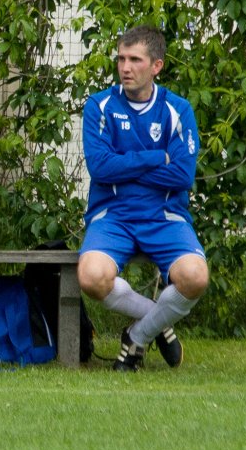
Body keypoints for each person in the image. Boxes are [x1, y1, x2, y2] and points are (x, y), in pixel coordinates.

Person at [77, 26, 206, 372]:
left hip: (165, 216)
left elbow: (182, 175)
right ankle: (156, 320)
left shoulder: (177, 110)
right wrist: (155, 157)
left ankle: (138, 335)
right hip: (112, 216)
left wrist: (124, 166)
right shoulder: (100, 106)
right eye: (121, 58)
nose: (125, 67)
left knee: (195, 277)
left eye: (135, 60)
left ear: (156, 66)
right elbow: (100, 167)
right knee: (91, 277)